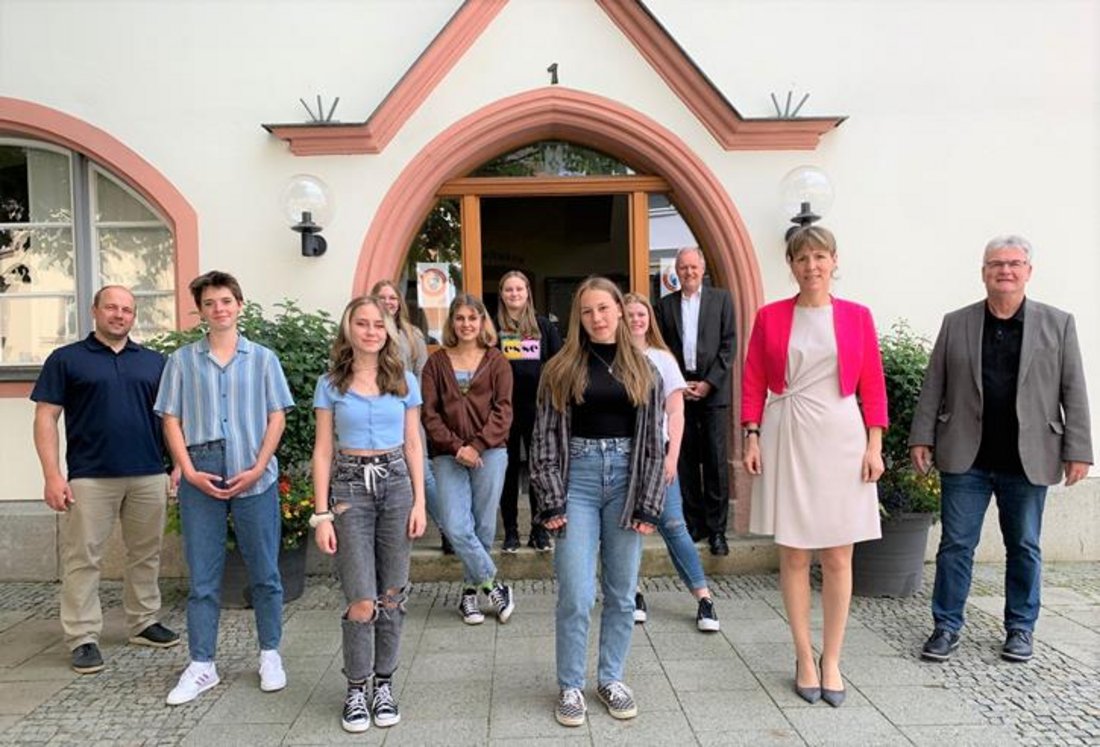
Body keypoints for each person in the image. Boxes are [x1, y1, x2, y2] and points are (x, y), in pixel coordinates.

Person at [910, 235, 1092, 664]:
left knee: (1025, 545)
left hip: (1028, 457)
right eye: (996, 264)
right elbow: (934, 383)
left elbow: (1074, 389)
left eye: (1014, 263)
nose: (1005, 271)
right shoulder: (957, 322)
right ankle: (946, 626)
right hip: (965, 456)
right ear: (983, 271)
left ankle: (1020, 628)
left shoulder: (1058, 323)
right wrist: (922, 436)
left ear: (1028, 270)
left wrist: (1078, 449)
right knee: (955, 545)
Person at [742, 226, 887, 708]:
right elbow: (753, 380)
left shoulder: (857, 316)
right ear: (791, 265)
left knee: (840, 554)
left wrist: (875, 445)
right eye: (802, 258)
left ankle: (833, 660)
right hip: (787, 432)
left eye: (820, 257)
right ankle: (804, 655)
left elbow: (873, 384)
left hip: (843, 434)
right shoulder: (770, 317)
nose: (812, 266)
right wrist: (752, 434)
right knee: (796, 554)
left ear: (834, 261)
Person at [155, 271, 295, 705]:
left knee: (266, 572)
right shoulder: (182, 361)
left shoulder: (263, 359)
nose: (219, 308)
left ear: (239, 305)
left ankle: (270, 653)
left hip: (254, 472)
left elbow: (277, 415)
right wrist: (186, 468)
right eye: (210, 302)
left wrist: (258, 466)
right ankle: (202, 665)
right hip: (202, 470)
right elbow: (171, 418)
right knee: (203, 575)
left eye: (226, 301)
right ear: (200, 310)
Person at [530, 277, 665, 727]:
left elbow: (653, 444)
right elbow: (545, 438)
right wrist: (550, 501)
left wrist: (649, 503)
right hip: (578, 481)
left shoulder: (645, 369)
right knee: (576, 591)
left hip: (627, 481)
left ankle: (610, 677)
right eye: (587, 311)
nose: (597, 318)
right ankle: (570, 685)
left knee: (622, 592)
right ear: (578, 318)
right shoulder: (559, 368)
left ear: (620, 312)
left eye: (604, 308)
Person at [31, 285, 179, 675]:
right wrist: (52, 475)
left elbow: (170, 420)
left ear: (134, 316)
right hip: (90, 477)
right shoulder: (67, 359)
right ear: (95, 310)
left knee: (146, 553)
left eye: (127, 309)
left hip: (149, 473)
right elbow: (46, 417)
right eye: (111, 307)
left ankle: (143, 622)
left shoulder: (154, 362)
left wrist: (178, 464)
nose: (119, 315)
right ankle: (82, 637)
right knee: (83, 558)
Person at [311, 296, 427, 732]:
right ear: (348, 330)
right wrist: (321, 515)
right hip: (349, 487)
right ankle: (356, 688)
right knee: (361, 598)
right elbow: (322, 451)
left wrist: (419, 501)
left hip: (396, 484)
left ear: (388, 330)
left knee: (392, 594)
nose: (371, 331)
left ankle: (384, 684)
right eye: (362, 324)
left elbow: (414, 444)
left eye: (378, 324)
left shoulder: (404, 380)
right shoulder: (331, 383)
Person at [623, 293, 719, 632]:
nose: (636, 320)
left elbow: (676, 411)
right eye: (630, 314)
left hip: (657, 454)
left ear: (649, 318)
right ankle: (632, 593)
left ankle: (704, 598)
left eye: (641, 314)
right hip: (621, 456)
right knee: (626, 529)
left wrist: (672, 457)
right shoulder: (612, 357)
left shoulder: (662, 358)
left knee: (675, 526)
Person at [420, 293, 516, 625]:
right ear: (451, 323)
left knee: (484, 526)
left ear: (481, 322)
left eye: (472, 318)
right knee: (457, 526)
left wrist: (476, 445)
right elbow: (429, 414)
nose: (466, 324)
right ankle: (495, 583)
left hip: (490, 453)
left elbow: (504, 410)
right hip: (448, 456)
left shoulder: (496, 361)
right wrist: (457, 447)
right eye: (459, 318)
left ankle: (469, 595)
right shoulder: (436, 362)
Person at [654, 247, 736, 556]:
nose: (688, 272)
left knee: (715, 462)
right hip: (679, 390)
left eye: (693, 267)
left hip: (712, 391)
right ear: (676, 271)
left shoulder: (722, 300)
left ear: (702, 269)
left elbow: (729, 345)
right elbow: (661, 348)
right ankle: (695, 523)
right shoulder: (665, 306)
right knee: (685, 460)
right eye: (683, 268)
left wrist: (709, 383)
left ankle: (717, 531)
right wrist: (678, 383)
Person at [371, 279, 450, 555]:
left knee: (424, 474)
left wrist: (418, 410)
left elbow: (421, 375)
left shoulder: (412, 334)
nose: (388, 302)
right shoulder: (368, 332)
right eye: (382, 298)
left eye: (393, 298)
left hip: (406, 412)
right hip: (374, 415)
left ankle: (450, 529)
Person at [495, 270, 562, 553]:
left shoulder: (544, 326)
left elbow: (559, 363)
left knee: (538, 471)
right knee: (507, 471)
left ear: (527, 293)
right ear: (502, 294)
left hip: (537, 409)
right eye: (509, 290)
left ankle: (539, 529)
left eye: (519, 290)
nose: (514, 295)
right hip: (503, 410)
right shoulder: (492, 328)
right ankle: (511, 530)